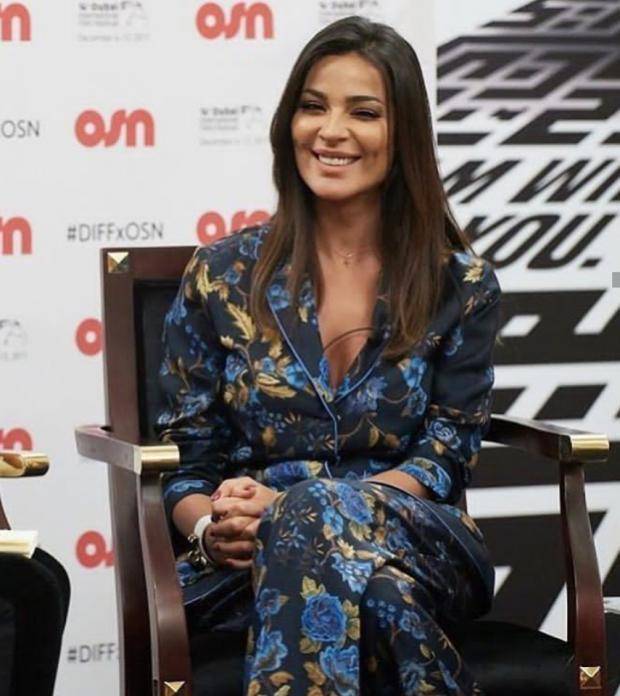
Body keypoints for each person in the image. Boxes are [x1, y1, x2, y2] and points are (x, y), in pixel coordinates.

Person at [157, 15, 500, 696]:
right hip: (246, 564)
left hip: (418, 540)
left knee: (311, 512)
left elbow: (442, 458)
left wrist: (297, 506)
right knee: (381, 599)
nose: (331, 131)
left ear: (403, 135)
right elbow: (186, 461)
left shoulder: (459, 284)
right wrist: (209, 530)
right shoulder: (221, 275)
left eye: (363, 113)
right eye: (313, 107)